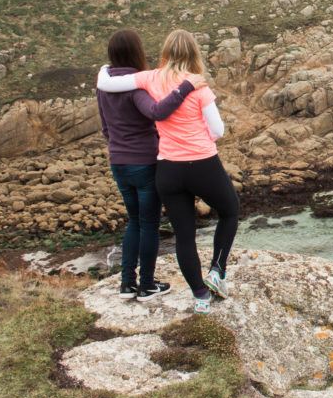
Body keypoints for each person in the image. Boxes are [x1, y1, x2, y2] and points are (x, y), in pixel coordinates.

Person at [97, 28, 237, 314]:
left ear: (165, 52)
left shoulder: (149, 79)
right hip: (202, 163)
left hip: (168, 169)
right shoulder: (198, 86)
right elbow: (218, 130)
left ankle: (200, 296)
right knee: (230, 211)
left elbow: (108, 85)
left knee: (184, 234)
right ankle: (216, 271)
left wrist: (102, 72)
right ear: (194, 54)